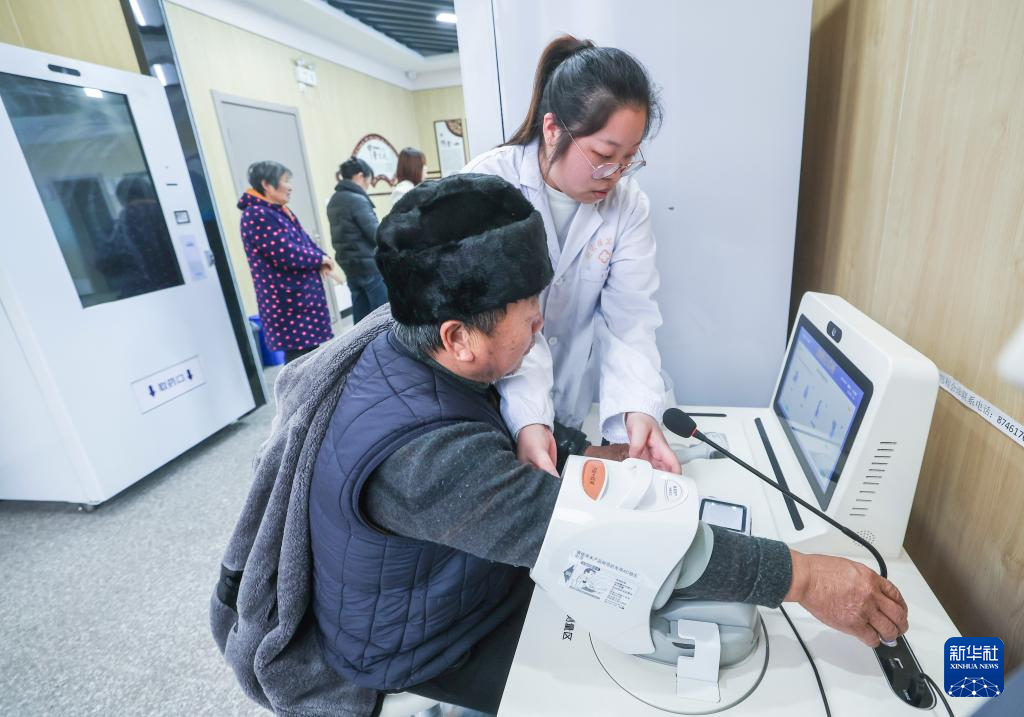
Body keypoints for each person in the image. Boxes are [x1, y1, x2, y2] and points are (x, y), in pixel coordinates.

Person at [305, 174, 909, 714]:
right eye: (526, 312)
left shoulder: (425, 360)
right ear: (459, 337)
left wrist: (597, 454)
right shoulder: (425, 459)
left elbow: (501, 437)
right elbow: (602, 537)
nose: (541, 323)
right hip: (430, 642)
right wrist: (804, 579)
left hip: (470, 580)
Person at [464, 35, 682, 478]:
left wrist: (638, 410)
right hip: (489, 399)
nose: (615, 175)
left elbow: (630, 320)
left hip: (570, 402)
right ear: (552, 130)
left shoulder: (628, 205)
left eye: (628, 159)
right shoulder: (488, 186)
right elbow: (504, 323)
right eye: (604, 155)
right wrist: (530, 419)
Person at [238, 160, 335, 363]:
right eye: (285, 181)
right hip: (288, 304)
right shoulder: (256, 214)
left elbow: (305, 241)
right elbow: (285, 252)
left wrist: (322, 257)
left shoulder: (278, 211)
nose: (290, 187)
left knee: (311, 357)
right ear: (266, 184)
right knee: (299, 362)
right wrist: (319, 259)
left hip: (300, 301)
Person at [327, 157, 387, 324]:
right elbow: (375, 234)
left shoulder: (335, 199)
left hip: (349, 265)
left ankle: (360, 341)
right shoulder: (357, 200)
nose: (368, 186)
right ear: (360, 176)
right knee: (381, 314)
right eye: (368, 181)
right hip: (368, 266)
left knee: (360, 313)